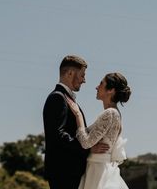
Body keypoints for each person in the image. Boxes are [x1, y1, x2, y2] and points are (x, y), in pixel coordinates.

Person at [43, 55, 109, 189]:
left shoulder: (67, 99)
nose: (84, 80)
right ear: (70, 73)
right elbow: (58, 135)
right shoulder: (57, 98)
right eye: (82, 75)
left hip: (70, 172)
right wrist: (88, 147)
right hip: (63, 172)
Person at [66, 72, 131, 189]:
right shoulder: (115, 113)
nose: (97, 87)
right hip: (99, 167)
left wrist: (78, 115)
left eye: (101, 83)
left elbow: (86, 143)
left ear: (111, 90)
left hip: (98, 170)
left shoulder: (110, 113)